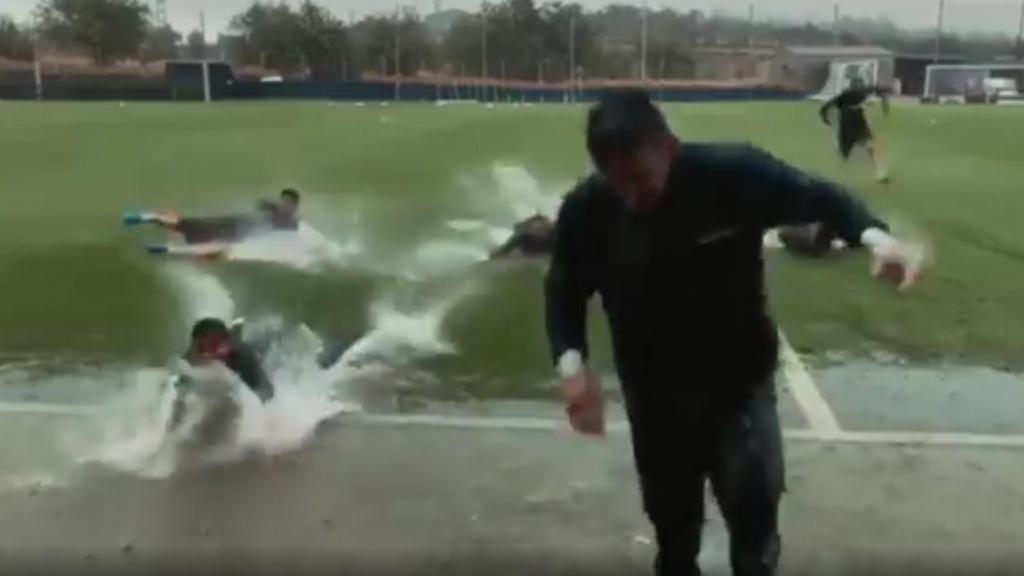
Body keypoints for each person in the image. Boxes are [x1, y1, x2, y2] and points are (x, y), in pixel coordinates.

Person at [545, 90, 923, 576]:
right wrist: (572, 369)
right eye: (617, 183)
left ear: (667, 148)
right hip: (653, 395)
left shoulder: (732, 174)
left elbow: (826, 199)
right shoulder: (587, 210)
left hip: (739, 388)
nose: (630, 197)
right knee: (673, 530)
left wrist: (879, 240)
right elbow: (564, 291)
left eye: (639, 179)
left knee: (754, 525)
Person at [167, 318, 275, 434]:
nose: (203, 353)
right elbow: (180, 396)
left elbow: (268, 396)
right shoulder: (191, 357)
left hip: (262, 347)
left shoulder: (240, 359)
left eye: (211, 347)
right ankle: (237, 325)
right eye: (199, 346)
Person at [123, 188, 302, 247]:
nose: (283, 204)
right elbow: (261, 203)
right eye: (282, 201)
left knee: (192, 231)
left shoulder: (292, 224)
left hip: (234, 234)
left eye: (287, 202)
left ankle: (155, 220)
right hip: (230, 224)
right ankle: (150, 217)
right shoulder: (273, 210)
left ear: (294, 206)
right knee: (189, 225)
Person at [819, 80, 891, 183]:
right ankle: (839, 175)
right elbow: (825, 108)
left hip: (858, 124)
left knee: (870, 145)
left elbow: (824, 109)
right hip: (847, 126)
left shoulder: (860, 91)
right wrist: (825, 119)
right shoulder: (845, 95)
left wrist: (825, 119)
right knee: (845, 153)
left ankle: (880, 174)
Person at [490, 214, 556, 259]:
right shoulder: (521, 239)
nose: (539, 232)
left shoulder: (554, 235)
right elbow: (499, 253)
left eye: (542, 229)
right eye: (536, 229)